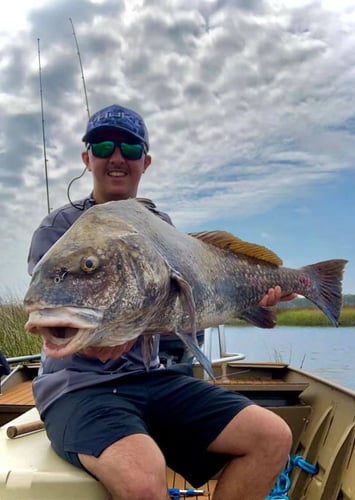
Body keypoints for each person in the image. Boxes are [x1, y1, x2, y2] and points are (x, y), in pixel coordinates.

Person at [28, 104, 294, 500]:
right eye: (103, 146)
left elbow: (188, 309)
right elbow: (58, 321)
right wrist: (108, 332)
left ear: (145, 162)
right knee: (142, 478)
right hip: (79, 388)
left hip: (152, 378)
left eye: (130, 149)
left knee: (272, 436)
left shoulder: (159, 226)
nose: (117, 157)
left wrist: (256, 294)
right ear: (87, 158)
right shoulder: (57, 230)